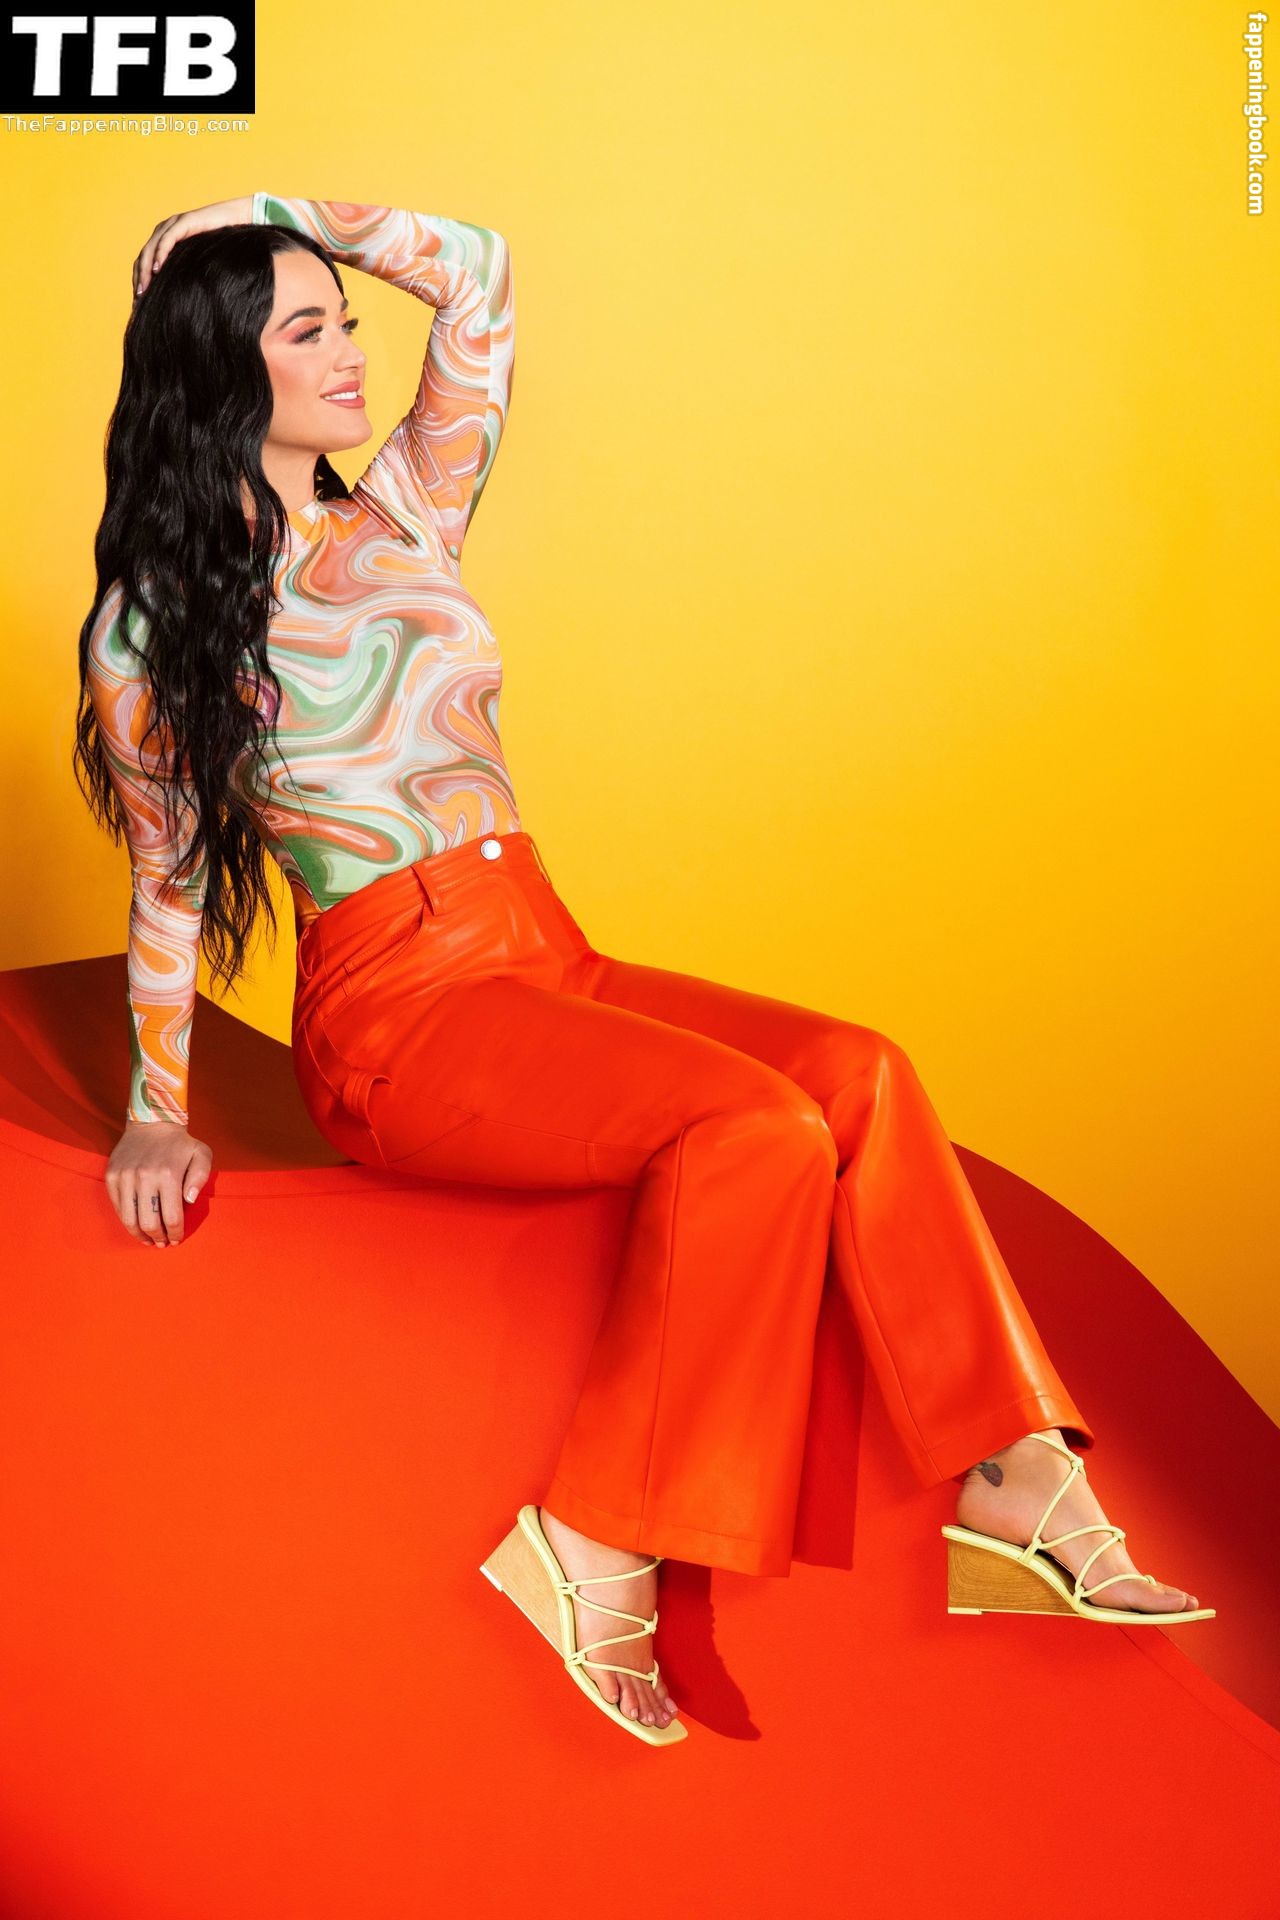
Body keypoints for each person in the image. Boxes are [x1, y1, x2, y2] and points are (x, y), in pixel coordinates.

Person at [73, 192, 1211, 1750]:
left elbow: (477, 275)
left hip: (543, 948)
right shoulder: (151, 626)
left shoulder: (404, 510)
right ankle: (598, 1536)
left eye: (345, 321)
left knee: (863, 1074)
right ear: (220, 370)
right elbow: (165, 877)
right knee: (753, 1131)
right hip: (398, 1013)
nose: (351, 353)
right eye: (307, 330)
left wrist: (259, 213)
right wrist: (155, 1109)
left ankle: (1015, 1478)